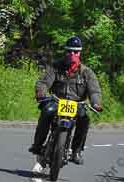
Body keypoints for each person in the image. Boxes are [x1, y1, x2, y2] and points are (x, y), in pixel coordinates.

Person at [29, 36, 103, 165]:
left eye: (75, 52)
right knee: (46, 111)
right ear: (65, 51)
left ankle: (76, 151)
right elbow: (43, 82)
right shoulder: (55, 67)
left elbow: (94, 90)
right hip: (56, 101)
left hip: (77, 104)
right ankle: (38, 145)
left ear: (80, 53)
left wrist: (96, 103)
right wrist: (41, 92)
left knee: (84, 118)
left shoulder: (87, 72)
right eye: (69, 51)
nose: (72, 54)